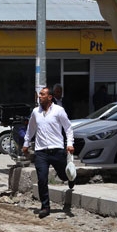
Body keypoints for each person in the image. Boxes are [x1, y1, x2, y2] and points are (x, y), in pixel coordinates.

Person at [22, 86, 74, 219]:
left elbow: (68, 128)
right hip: (41, 153)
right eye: (39, 94)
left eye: (42, 94)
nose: (39, 96)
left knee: (64, 176)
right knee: (42, 179)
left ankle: (71, 178)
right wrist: (26, 144)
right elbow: (30, 129)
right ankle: (45, 207)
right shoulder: (35, 112)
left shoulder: (59, 110)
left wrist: (69, 144)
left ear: (50, 97)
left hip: (57, 150)